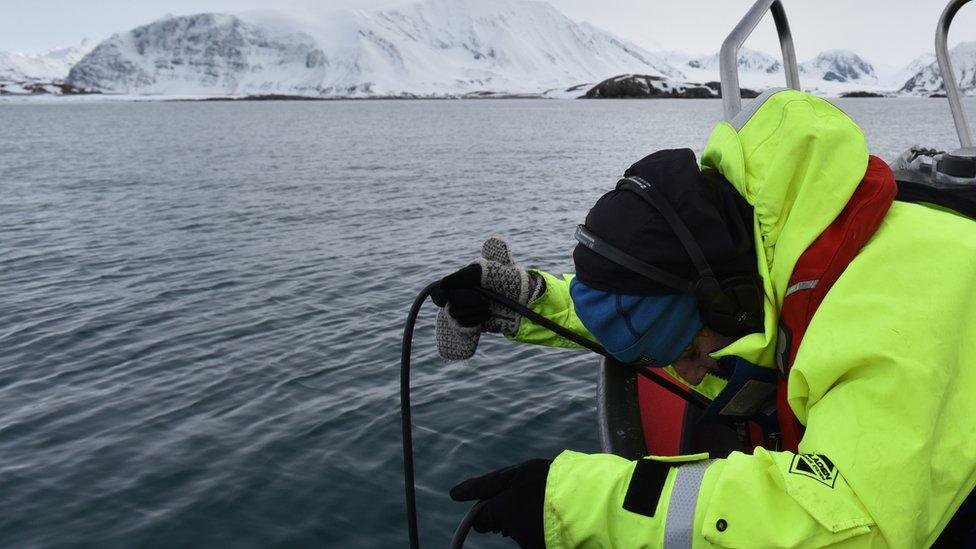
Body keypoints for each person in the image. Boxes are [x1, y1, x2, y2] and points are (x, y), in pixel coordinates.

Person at [431, 89, 976, 547]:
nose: (690, 375)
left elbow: (849, 523)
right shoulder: (769, 244)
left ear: (729, 300)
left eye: (691, 351)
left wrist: (570, 501)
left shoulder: (890, 310)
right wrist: (526, 300)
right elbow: (660, 307)